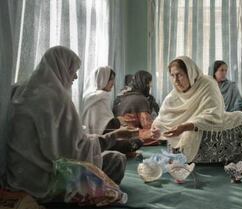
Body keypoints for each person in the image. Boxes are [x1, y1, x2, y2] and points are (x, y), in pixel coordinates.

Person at [5, 46, 132, 199]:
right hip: (46, 183)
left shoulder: (18, 90)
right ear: (61, 68)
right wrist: (113, 137)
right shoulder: (57, 98)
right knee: (116, 160)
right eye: (73, 71)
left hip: (15, 178)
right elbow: (74, 152)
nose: (76, 77)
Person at [151, 56, 242, 178]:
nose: (175, 80)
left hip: (211, 122)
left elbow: (213, 114)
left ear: (190, 73)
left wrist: (186, 126)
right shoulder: (175, 93)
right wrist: (156, 128)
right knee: (178, 127)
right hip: (187, 124)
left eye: (179, 75)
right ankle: (182, 153)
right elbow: (163, 115)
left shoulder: (207, 84)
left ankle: (228, 157)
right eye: (172, 75)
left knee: (240, 117)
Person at [113, 70, 159, 146]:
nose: (151, 86)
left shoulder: (123, 95)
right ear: (145, 84)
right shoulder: (141, 99)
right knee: (157, 133)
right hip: (130, 135)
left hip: (118, 134)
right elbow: (147, 125)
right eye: (149, 83)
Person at [81, 66, 117, 135]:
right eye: (111, 79)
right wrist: (119, 121)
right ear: (102, 79)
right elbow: (106, 126)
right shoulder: (101, 97)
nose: (113, 83)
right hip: (100, 140)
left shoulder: (89, 95)